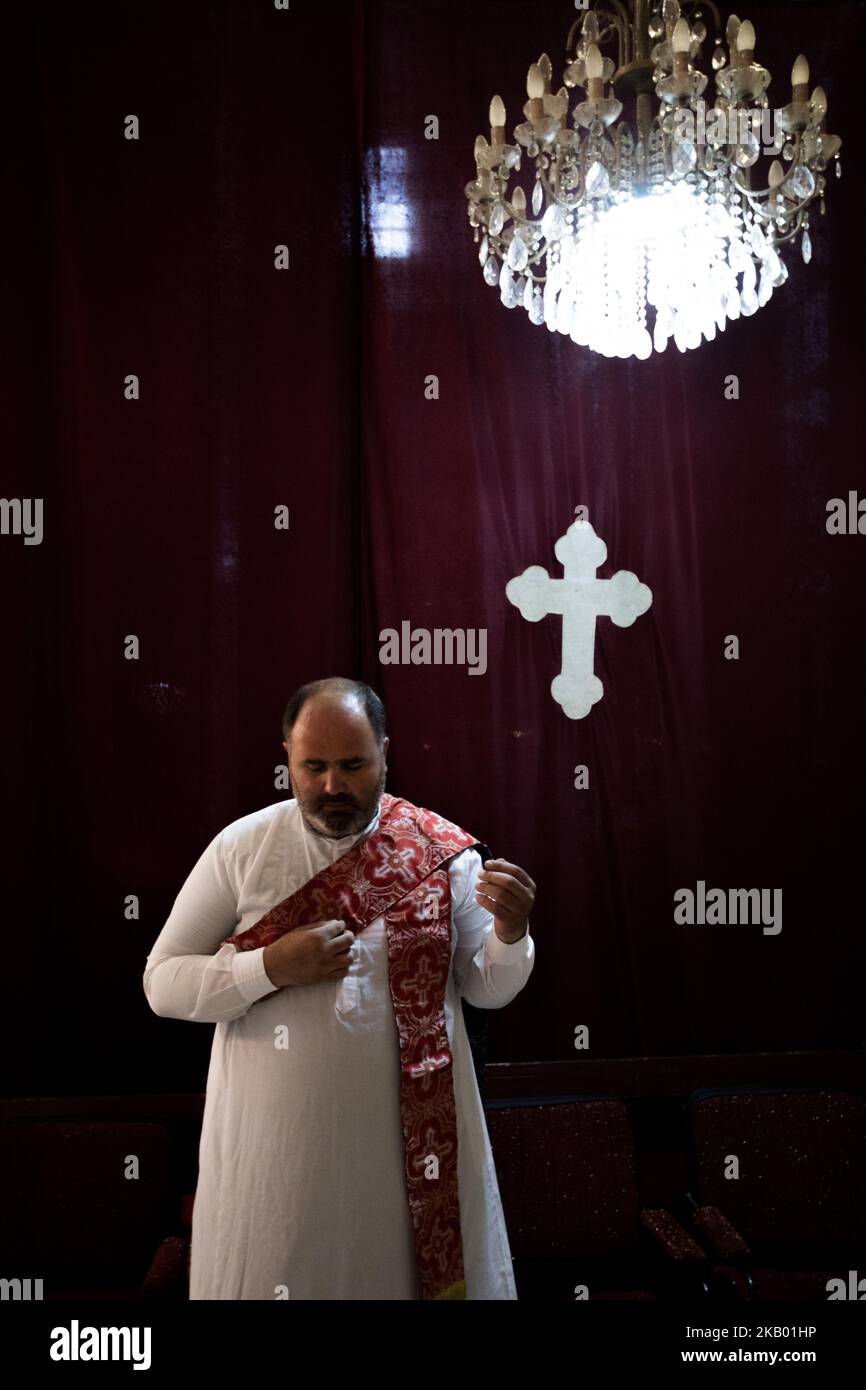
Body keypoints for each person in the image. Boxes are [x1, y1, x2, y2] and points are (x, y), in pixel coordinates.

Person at [143, 677, 536, 1299]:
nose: (332, 785)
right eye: (313, 766)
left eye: (353, 765)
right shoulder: (242, 849)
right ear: (287, 760)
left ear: (385, 752)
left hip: (414, 1157)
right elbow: (162, 984)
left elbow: (485, 989)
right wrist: (270, 966)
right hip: (276, 1157)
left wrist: (510, 933)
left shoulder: (442, 852)